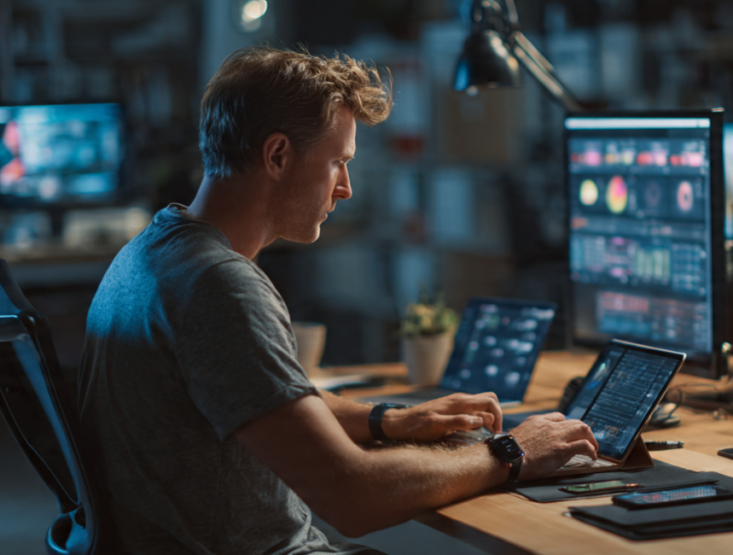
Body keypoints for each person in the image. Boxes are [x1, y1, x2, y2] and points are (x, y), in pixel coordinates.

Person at [77, 46, 598, 555]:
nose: (345, 188)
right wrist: (513, 451)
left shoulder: (153, 251)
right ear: (277, 155)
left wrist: (389, 420)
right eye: (337, 163)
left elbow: (261, 396)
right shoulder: (217, 283)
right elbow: (353, 496)